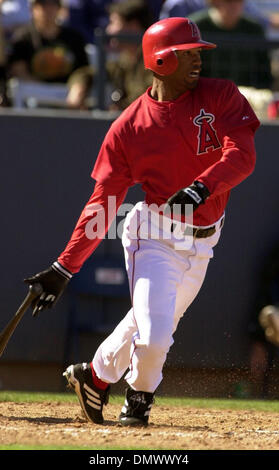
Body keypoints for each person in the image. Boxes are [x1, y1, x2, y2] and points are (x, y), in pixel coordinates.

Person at [24, 17, 260, 426]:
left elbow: (243, 156)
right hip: (155, 237)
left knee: (150, 321)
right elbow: (103, 203)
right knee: (154, 336)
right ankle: (139, 399)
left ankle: (95, 378)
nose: (197, 61)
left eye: (198, 53)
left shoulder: (221, 95)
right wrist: (65, 267)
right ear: (161, 61)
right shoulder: (129, 128)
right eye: (187, 54)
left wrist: (203, 187)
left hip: (204, 241)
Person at [7, 0, 92, 109]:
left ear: (59, 9)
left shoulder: (74, 38)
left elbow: (83, 71)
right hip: (33, 101)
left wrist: (78, 87)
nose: (48, 9)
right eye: (42, 5)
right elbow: (19, 71)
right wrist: (46, 93)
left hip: (68, 99)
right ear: (32, 9)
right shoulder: (23, 38)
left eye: (52, 4)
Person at [189, 0, 272, 89]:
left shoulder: (255, 29)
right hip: (204, 92)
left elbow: (264, 72)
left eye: (239, 1)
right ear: (215, 2)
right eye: (228, 1)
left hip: (245, 94)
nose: (234, 5)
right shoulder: (195, 26)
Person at [102, 0, 153, 110]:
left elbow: (148, 96)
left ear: (133, 26)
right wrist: (79, 85)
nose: (109, 30)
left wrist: (120, 107)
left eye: (113, 22)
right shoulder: (126, 58)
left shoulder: (154, 61)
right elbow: (96, 72)